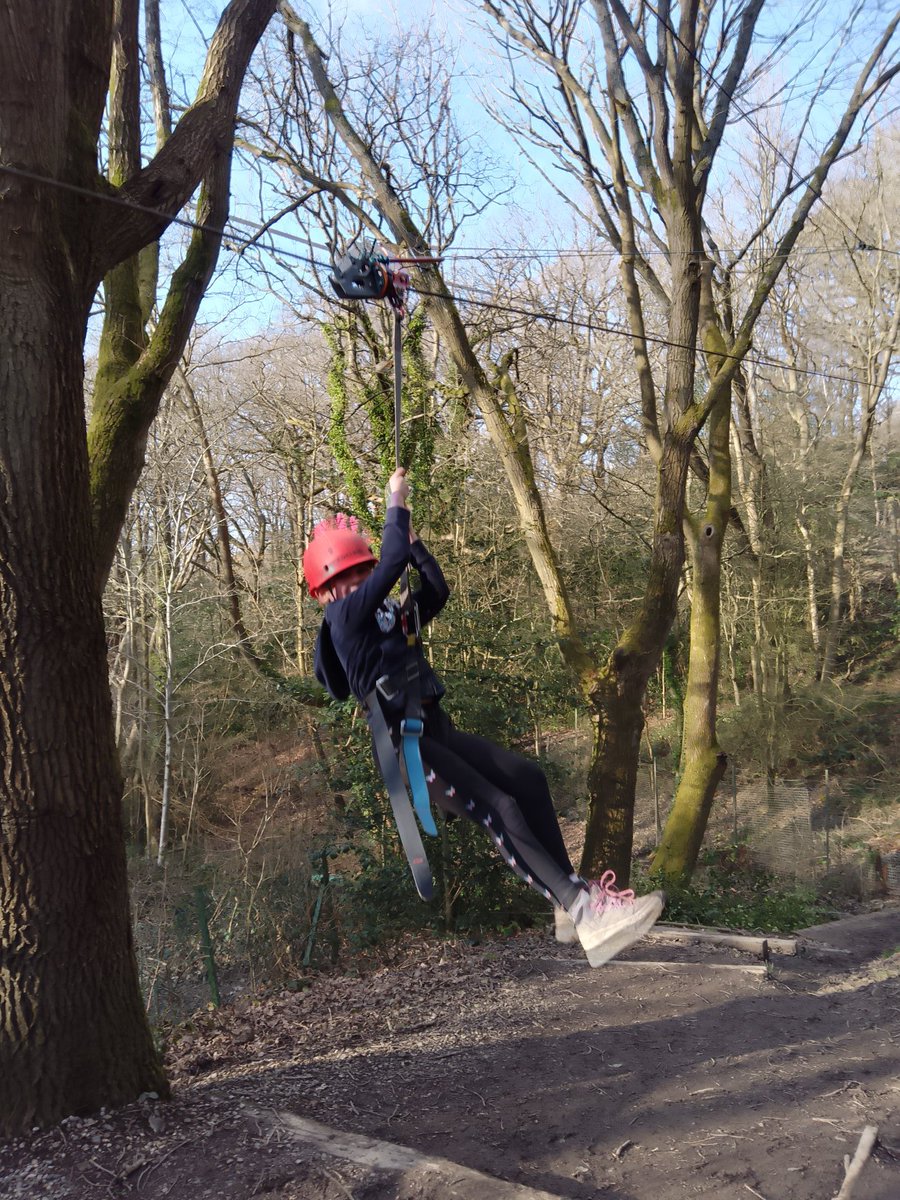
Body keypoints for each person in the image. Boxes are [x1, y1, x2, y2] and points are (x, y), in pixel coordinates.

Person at [303, 467, 664, 967]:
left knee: (528, 779)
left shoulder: (386, 616)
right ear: (325, 594)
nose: (359, 585)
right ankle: (584, 911)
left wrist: (416, 543)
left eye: (360, 574)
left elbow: (435, 591)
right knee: (500, 807)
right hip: (406, 746)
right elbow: (390, 566)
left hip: (436, 729)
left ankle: (567, 898)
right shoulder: (342, 619)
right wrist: (395, 501)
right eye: (345, 580)